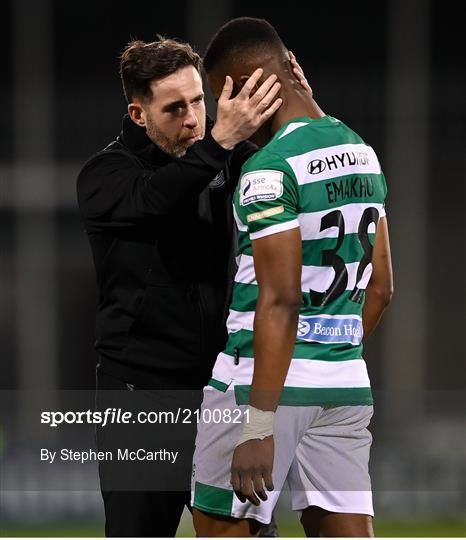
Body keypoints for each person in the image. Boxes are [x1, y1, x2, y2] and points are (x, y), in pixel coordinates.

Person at [77, 36, 309, 537]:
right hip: (141, 398)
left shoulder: (224, 158)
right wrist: (218, 145)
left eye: (199, 100)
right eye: (174, 108)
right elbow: (157, 199)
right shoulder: (105, 175)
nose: (193, 117)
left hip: (220, 390)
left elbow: (291, 172)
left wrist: (306, 113)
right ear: (139, 115)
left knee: (243, 533)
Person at [191, 17, 394, 537]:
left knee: (222, 530)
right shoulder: (362, 153)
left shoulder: (268, 170)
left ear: (243, 90)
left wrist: (260, 426)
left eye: (222, 97)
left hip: (258, 388)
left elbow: (278, 301)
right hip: (344, 386)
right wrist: (329, 356)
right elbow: (381, 289)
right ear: (294, 69)